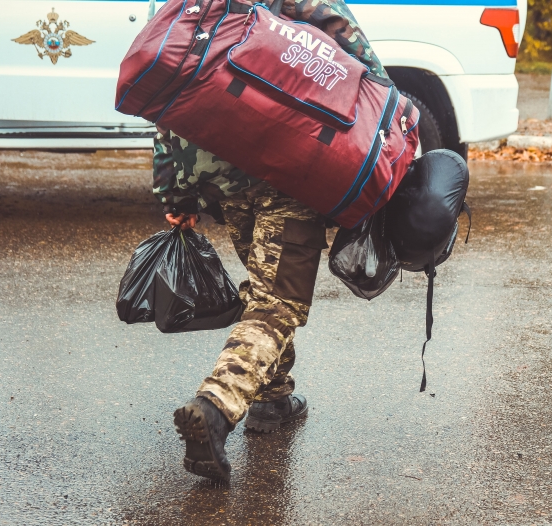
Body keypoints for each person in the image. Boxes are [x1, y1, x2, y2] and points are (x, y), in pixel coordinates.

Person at [151, 0, 387, 482]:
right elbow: (359, 58)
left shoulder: (197, 8)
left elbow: (168, 99)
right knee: (278, 301)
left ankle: (273, 399)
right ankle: (216, 405)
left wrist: (174, 190)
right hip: (294, 165)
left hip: (220, 171)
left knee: (266, 285)